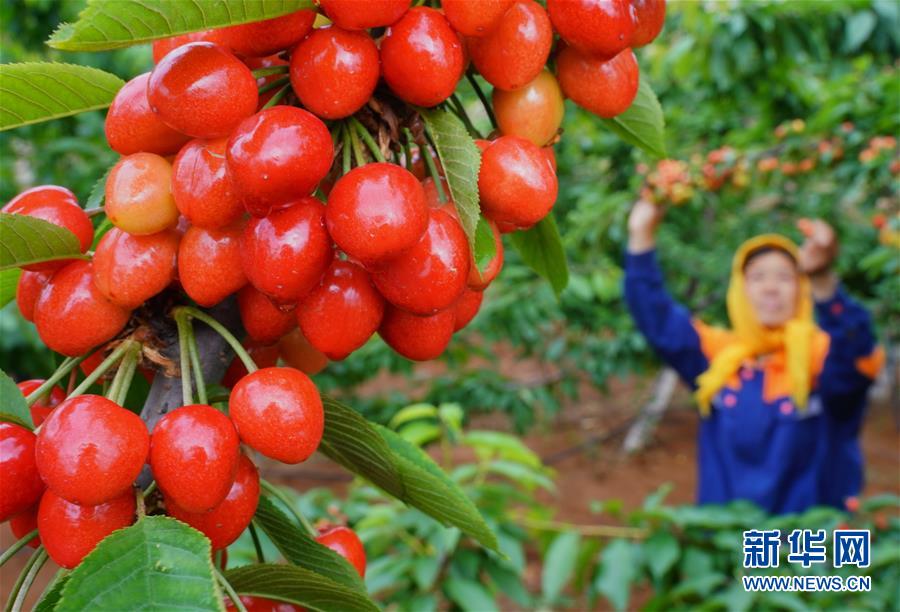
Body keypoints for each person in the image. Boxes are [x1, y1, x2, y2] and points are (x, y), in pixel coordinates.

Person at [624, 199, 884, 514]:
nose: (770, 288)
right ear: (740, 289)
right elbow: (658, 319)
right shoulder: (719, 357)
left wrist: (822, 279)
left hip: (806, 540)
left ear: (801, 288)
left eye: (785, 277)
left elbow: (857, 353)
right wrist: (641, 234)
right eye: (757, 277)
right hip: (727, 536)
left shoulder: (820, 356)